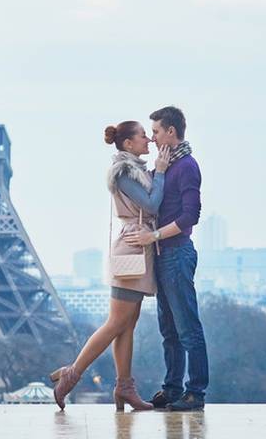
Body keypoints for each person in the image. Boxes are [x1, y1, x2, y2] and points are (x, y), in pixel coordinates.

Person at [50, 121, 169, 411]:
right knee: (117, 322)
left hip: (138, 247)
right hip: (132, 246)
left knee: (128, 323)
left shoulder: (134, 169)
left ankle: (124, 387)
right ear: (128, 144)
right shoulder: (125, 173)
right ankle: (72, 374)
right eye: (143, 136)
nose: (148, 141)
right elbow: (151, 206)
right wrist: (162, 172)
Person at [124, 106, 208, 411]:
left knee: (187, 328)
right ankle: (173, 389)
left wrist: (153, 236)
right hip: (163, 256)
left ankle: (195, 393)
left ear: (170, 132)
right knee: (169, 330)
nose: (152, 136)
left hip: (176, 253)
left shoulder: (186, 166)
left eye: (156, 131)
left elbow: (190, 217)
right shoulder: (167, 165)